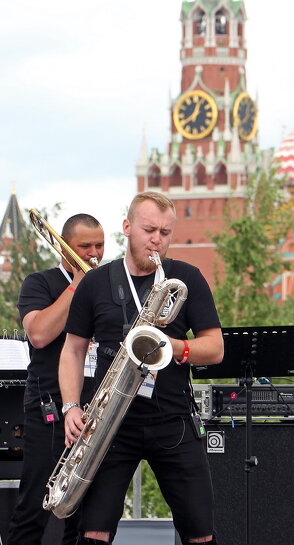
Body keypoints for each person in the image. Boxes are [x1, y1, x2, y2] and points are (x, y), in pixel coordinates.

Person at [59, 191, 223, 545]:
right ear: (127, 227)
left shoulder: (187, 278)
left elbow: (215, 347)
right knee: (95, 531)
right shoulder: (96, 282)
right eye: (149, 230)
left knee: (200, 531)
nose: (157, 240)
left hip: (173, 420)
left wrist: (173, 348)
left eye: (165, 233)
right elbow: (72, 350)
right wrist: (71, 406)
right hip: (110, 425)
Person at [6, 213, 105, 545]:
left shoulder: (108, 284)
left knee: (88, 512)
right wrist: (78, 283)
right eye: (84, 246)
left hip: (96, 407)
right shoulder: (41, 282)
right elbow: (38, 334)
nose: (93, 253)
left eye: (100, 245)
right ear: (64, 248)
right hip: (49, 406)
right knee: (36, 502)